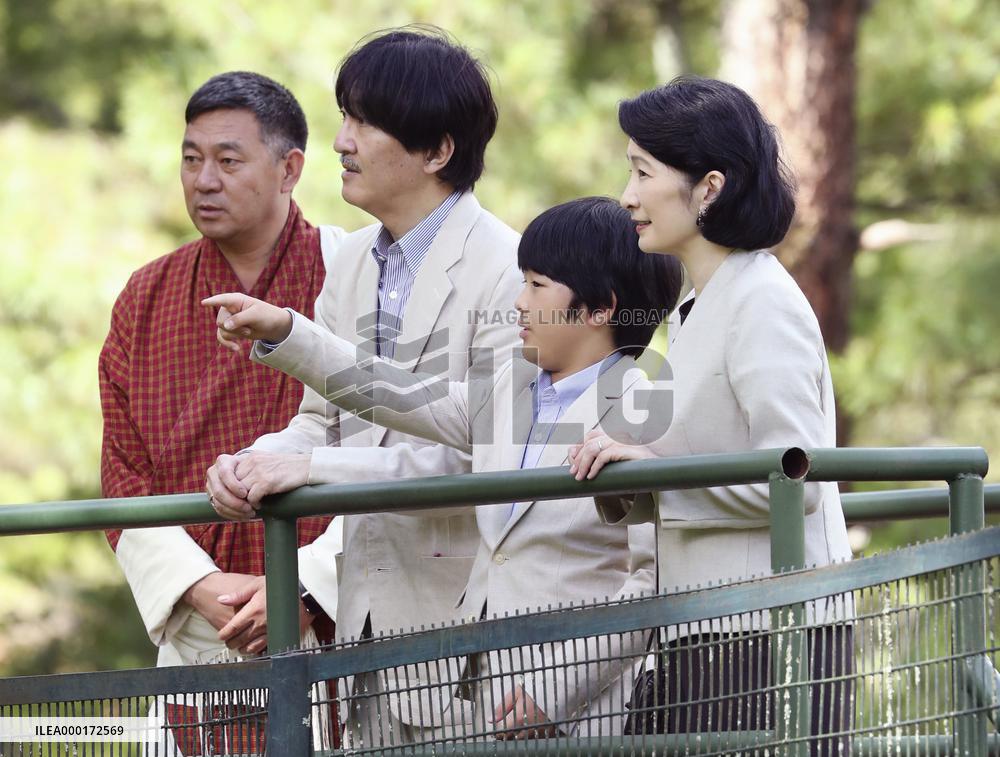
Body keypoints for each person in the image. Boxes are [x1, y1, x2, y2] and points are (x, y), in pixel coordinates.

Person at [204, 196, 683, 740]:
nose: (519, 303)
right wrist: (286, 330)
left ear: (600, 308)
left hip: (578, 712)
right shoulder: (506, 390)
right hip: (480, 694)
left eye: (537, 285)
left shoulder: (643, 413)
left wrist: (554, 693)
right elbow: (389, 390)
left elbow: (651, 579)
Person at [203, 28, 522, 747]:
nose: (342, 140)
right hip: (361, 629)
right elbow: (324, 420)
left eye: (365, 121)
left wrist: (308, 464)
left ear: (438, 151)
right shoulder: (350, 262)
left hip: (469, 640)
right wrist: (253, 460)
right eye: (344, 115)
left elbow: (476, 448)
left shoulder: (510, 270)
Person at [567, 76, 853, 752]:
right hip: (714, 631)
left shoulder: (759, 301)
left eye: (642, 171)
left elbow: (797, 478)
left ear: (710, 187)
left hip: (773, 639)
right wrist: (630, 465)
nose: (628, 195)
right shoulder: (703, 305)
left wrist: (658, 468)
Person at [98, 71, 342, 751]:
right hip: (200, 625)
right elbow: (124, 475)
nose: (204, 179)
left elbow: (400, 451)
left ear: (290, 167)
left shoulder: (352, 274)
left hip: (326, 623)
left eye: (228, 160)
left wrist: (305, 584)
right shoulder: (145, 299)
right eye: (190, 157)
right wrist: (202, 586)